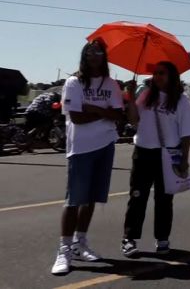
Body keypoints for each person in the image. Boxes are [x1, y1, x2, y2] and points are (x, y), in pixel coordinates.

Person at [51, 40, 124, 275]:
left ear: (104, 56)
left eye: (99, 52)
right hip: (81, 148)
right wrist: (104, 113)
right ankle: (64, 249)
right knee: (73, 200)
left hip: (106, 145)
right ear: (84, 55)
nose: (94, 55)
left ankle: (80, 244)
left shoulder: (111, 84)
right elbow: (76, 117)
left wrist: (94, 108)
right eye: (90, 52)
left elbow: (117, 115)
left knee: (91, 198)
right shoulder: (74, 82)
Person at [121, 61, 190, 257]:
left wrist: (184, 159)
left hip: (168, 154)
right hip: (143, 152)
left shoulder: (181, 101)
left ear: (171, 76)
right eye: (155, 73)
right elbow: (134, 120)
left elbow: (186, 133)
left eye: (162, 73)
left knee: (164, 199)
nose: (158, 76)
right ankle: (129, 239)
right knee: (137, 196)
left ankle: (162, 238)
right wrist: (129, 97)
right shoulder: (146, 95)